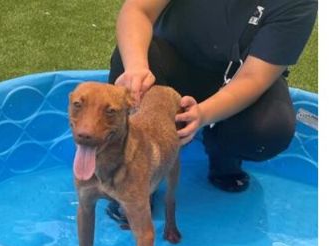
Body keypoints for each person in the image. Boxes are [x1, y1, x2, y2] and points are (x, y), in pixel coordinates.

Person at [106, 0, 317, 222]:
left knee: (270, 127)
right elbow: (138, 10)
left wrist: (203, 114)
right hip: (174, 59)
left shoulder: (298, 3)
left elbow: (253, 77)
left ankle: (224, 155)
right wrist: (137, 67)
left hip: (240, 77)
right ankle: (135, 177)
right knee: (129, 65)